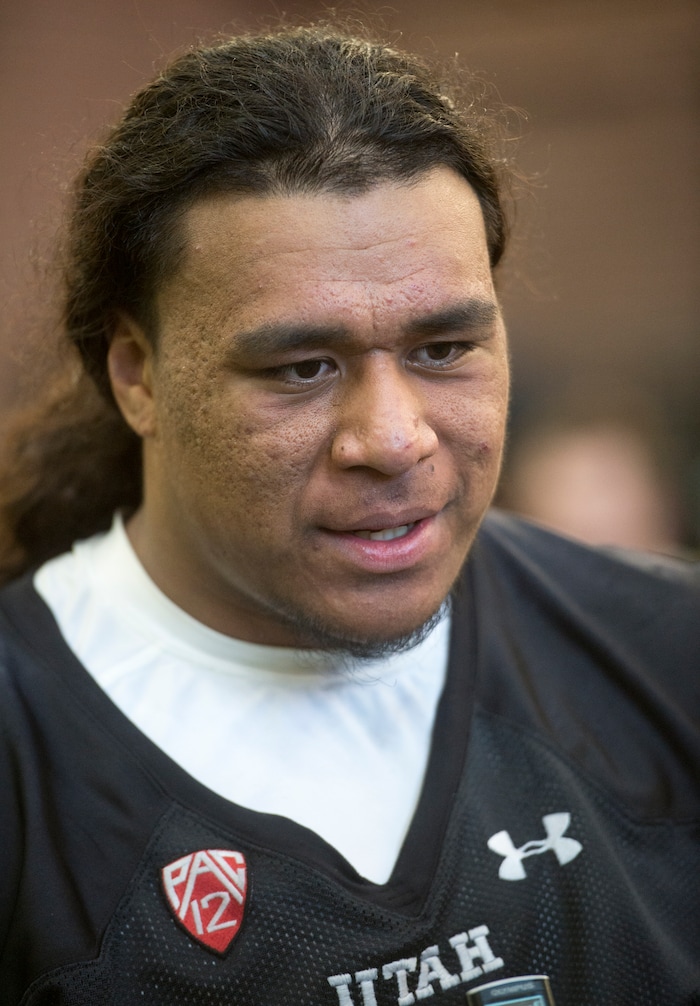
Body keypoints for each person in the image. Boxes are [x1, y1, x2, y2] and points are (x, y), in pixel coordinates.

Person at [0, 24, 697, 1006]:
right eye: (301, 368)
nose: (392, 437)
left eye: (444, 347)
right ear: (136, 374)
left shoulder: (666, 656)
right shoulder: (28, 760)